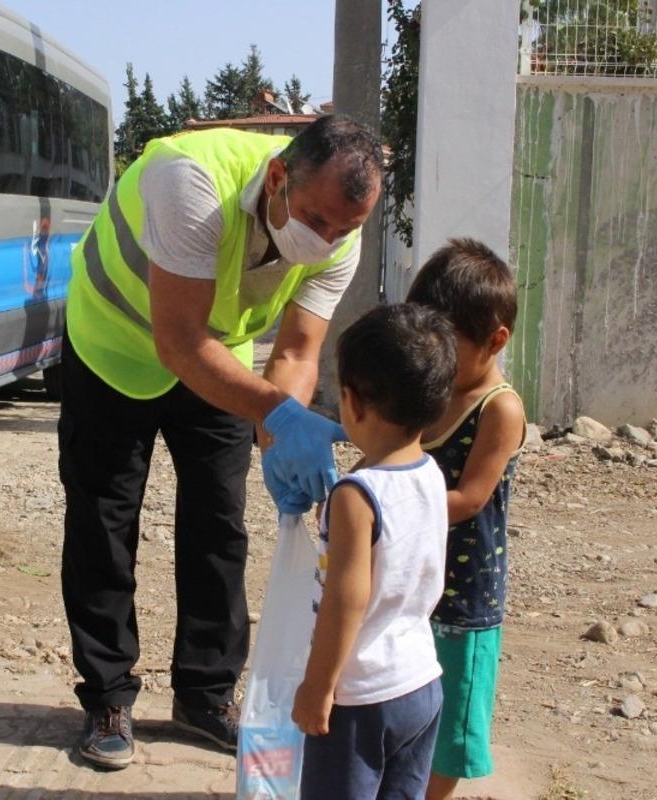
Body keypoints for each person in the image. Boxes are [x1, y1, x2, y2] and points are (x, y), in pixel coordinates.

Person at [58, 115, 384, 769]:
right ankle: (108, 697)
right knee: (104, 518)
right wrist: (276, 414)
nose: (325, 242)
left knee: (218, 521)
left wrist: (277, 434)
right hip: (114, 342)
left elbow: (295, 351)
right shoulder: (190, 180)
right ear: (277, 178)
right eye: (317, 220)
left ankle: (204, 695)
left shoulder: (337, 241)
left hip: (217, 355)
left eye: (343, 230)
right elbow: (176, 340)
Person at [292, 302, 456, 800]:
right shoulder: (430, 474)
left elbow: (347, 601)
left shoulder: (355, 496)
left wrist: (318, 687)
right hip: (421, 682)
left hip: (361, 697)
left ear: (352, 403)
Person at [405, 239, 526, 800]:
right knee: (407, 706)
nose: (432, 355)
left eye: (445, 343)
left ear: (494, 340)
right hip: (411, 587)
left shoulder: (499, 408)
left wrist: (386, 501)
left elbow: (472, 497)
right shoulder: (432, 387)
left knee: (450, 727)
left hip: (463, 597)